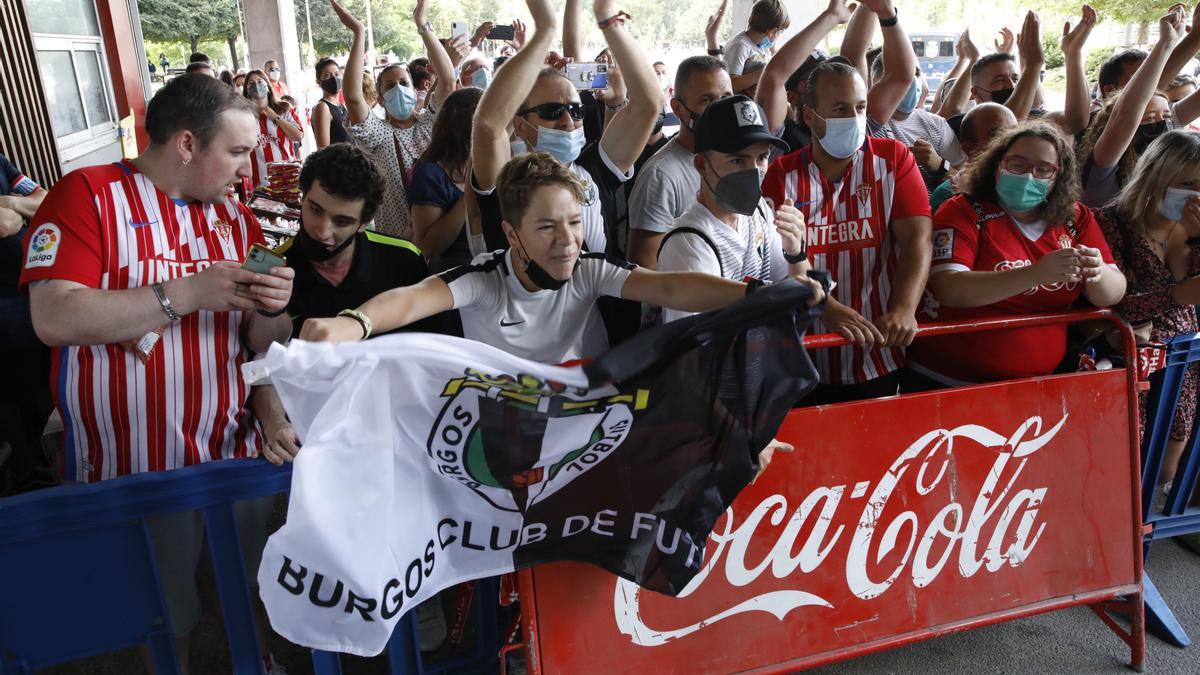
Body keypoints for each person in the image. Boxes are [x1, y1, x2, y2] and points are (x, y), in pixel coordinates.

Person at [19, 73, 294, 674]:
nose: (249, 170)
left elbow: (263, 343)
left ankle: (258, 657)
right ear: (188, 145)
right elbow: (53, 315)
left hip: (231, 448)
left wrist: (274, 310)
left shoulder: (240, 220)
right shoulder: (85, 195)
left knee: (247, 578)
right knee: (161, 604)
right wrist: (186, 293)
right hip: (134, 460)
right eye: (239, 151)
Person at [298, 151, 824, 362]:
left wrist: (760, 293)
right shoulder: (486, 278)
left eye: (574, 224)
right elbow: (411, 301)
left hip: (576, 429)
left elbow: (668, 287)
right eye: (547, 227)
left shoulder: (589, 269)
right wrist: (353, 324)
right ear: (512, 233)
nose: (567, 240)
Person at [251, 143, 451, 464]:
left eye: (341, 220)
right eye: (315, 209)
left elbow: (434, 353)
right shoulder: (268, 265)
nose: (322, 230)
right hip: (314, 444)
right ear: (302, 196)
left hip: (400, 437)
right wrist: (275, 422)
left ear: (364, 221)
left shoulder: (404, 260)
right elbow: (258, 364)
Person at [905, 122, 1126, 390]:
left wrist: (1097, 271)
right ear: (998, 164)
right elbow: (949, 288)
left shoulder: (1075, 218)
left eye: (1043, 169)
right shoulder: (965, 210)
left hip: (1035, 386)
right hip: (948, 383)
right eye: (1017, 164)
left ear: (1059, 176)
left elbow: (1113, 292)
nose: (1029, 176)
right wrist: (1035, 274)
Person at [762, 60, 932, 403]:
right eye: (840, 109)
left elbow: (918, 239)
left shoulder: (893, 159)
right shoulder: (782, 174)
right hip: (807, 350)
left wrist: (904, 308)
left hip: (879, 348)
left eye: (860, 107)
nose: (854, 118)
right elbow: (776, 258)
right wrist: (824, 306)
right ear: (809, 116)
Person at [470, 0, 660, 259]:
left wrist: (608, 19)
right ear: (520, 126)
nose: (567, 121)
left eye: (576, 110)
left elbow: (648, 104)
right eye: (552, 111)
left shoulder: (594, 170)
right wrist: (545, 30)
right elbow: (487, 125)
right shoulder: (505, 179)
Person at [1095, 130, 1200, 491]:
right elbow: (1113, 303)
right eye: (1187, 183)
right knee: (1124, 465)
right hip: (1131, 360)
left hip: (1185, 359)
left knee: (1166, 467)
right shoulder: (1111, 222)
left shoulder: (1195, 226)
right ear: (1157, 175)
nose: (1195, 194)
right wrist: (1176, 294)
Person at [657, 96, 805, 323]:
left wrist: (795, 251)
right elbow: (692, 348)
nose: (753, 171)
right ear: (702, 165)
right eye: (737, 160)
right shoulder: (688, 243)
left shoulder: (759, 212)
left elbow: (796, 293)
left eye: (762, 158)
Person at [334, 0, 456, 240]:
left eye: (404, 83)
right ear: (380, 99)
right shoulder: (378, 133)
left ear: (414, 89)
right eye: (389, 86)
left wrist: (422, 23)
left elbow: (448, 80)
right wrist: (359, 33)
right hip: (399, 243)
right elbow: (353, 97)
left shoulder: (429, 123)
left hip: (442, 238)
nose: (398, 89)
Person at [626, 56, 733, 268]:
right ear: (678, 108)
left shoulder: (737, 162)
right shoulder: (661, 176)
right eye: (707, 100)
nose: (720, 108)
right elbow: (646, 263)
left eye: (726, 97)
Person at [1079, 8, 1186, 208]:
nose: (1161, 123)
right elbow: (1124, 117)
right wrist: (1165, 44)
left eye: (1166, 116)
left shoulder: (1170, 168)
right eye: (1148, 118)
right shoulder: (1104, 170)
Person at [0, 154, 51, 495]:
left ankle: (32, 455)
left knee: (42, 381)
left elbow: (45, 200)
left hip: (28, 293)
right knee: (9, 392)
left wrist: (12, 203)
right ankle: (24, 465)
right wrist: (17, 213)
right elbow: (3, 225)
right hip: (4, 304)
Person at [410, 87, 483, 272]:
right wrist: (470, 189)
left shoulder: (492, 162)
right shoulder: (431, 173)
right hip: (453, 278)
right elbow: (427, 247)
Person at [929, 102, 1018, 213]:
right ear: (970, 149)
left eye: (1014, 133)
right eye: (998, 135)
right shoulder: (947, 197)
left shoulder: (1024, 186)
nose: (1010, 142)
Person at [242, 69, 304, 190]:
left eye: (260, 81)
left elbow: (298, 136)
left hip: (288, 177)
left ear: (268, 85)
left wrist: (274, 117)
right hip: (259, 182)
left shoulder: (284, 108)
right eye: (251, 83)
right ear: (247, 90)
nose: (256, 85)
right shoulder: (242, 115)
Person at [723, 0, 790, 94]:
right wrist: (765, 72)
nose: (778, 37)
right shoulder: (740, 46)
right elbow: (731, 85)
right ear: (772, 32)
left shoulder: (764, 44)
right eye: (780, 32)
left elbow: (775, 55)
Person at [311, 57, 352, 148]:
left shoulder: (342, 106)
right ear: (319, 82)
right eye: (327, 75)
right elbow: (324, 149)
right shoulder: (322, 107)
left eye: (337, 74)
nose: (334, 78)